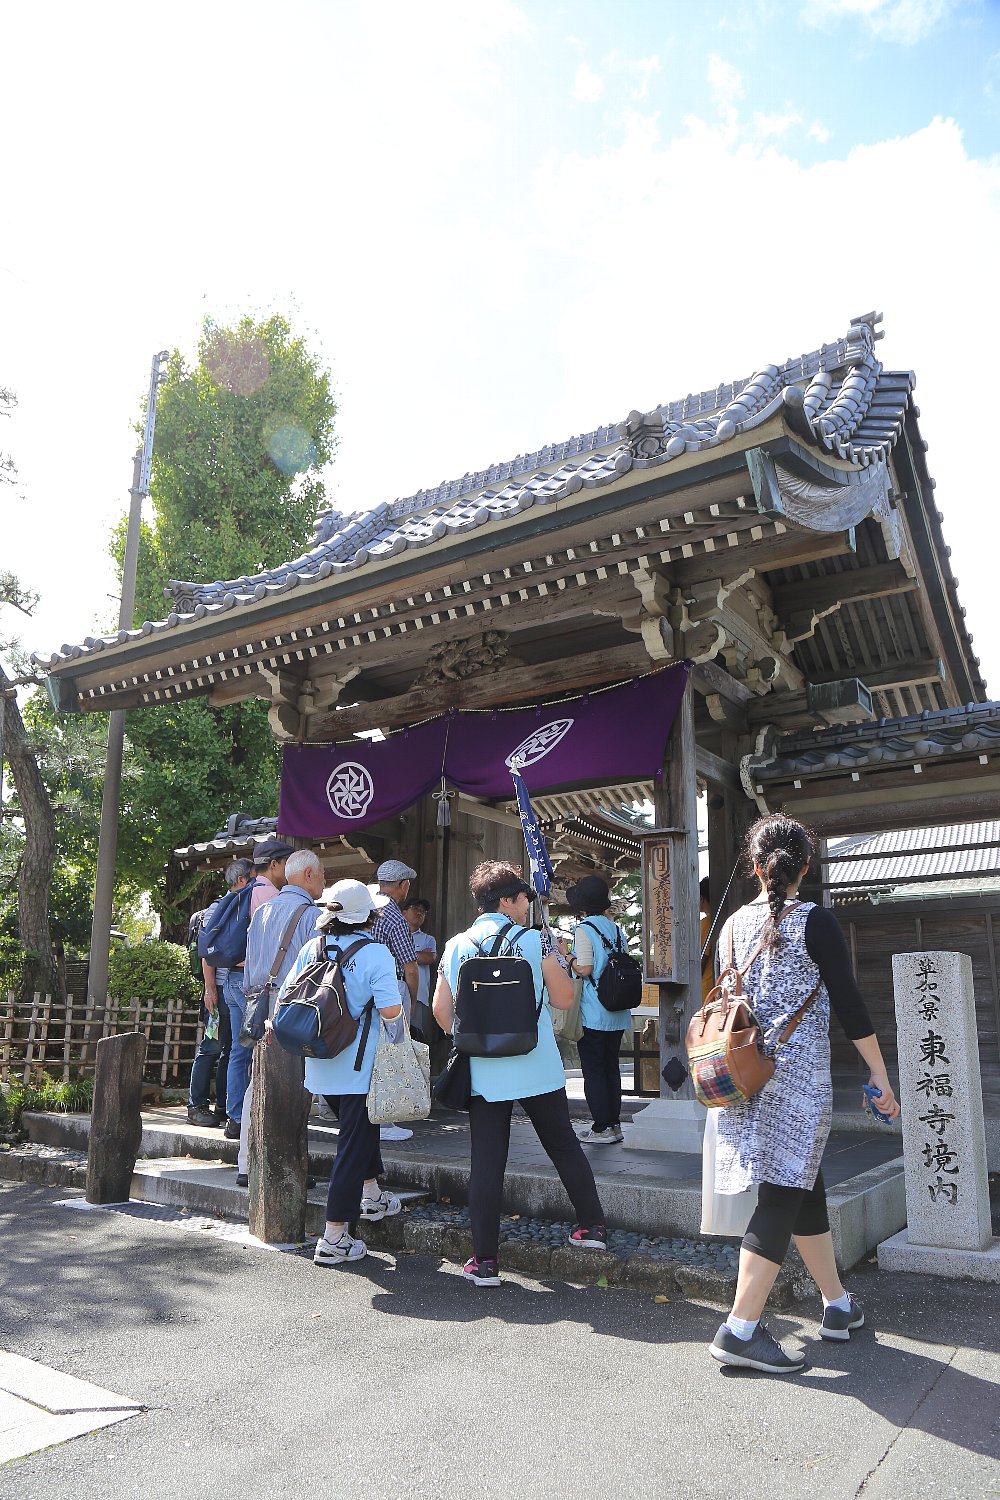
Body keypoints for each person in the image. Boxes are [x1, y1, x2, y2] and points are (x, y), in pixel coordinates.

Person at [707, 813, 900, 1375]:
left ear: (754, 865)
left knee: (803, 1187)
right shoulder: (816, 922)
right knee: (781, 1196)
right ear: (805, 868)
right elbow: (850, 1004)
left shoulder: (732, 926)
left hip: (746, 1081)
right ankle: (740, 1329)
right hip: (797, 1084)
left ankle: (837, 1305)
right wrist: (880, 1076)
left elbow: (728, 1003)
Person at [433, 860, 608, 1287]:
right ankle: (591, 1228)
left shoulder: (457, 945)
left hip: (484, 1070)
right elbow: (565, 999)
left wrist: (477, 1036)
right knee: (563, 1145)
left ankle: (486, 1262)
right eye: (525, 897)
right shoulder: (534, 943)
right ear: (508, 901)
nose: (529, 903)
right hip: (536, 1064)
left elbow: (441, 1012)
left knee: (487, 1161)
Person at [277, 879, 406, 1267]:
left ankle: (372, 1196)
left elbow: (287, 995)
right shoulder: (375, 954)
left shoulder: (312, 947)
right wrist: (401, 1048)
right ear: (368, 915)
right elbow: (390, 1012)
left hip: (317, 1062)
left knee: (358, 1132)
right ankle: (334, 1236)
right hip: (358, 1066)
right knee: (352, 1144)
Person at [235, 848, 326, 1187]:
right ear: (307, 876)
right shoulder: (311, 915)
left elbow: (248, 969)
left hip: (258, 1004)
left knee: (257, 1082)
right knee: (295, 1085)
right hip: (292, 1008)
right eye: (321, 874)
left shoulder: (262, 911)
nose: (322, 881)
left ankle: (247, 1162)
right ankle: (287, 1164)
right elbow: (318, 974)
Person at [556, 874, 633, 1146]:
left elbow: (585, 969)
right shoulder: (616, 929)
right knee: (611, 1068)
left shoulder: (584, 929)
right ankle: (615, 1123)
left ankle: (601, 1127)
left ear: (582, 906)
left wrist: (567, 956)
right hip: (617, 1010)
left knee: (594, 1070)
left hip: (594, 1010)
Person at [188, 858, 254, 1128]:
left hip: (231, 989)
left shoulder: (243, 906)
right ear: (241, 881)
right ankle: (196, 1105)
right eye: (252, 878)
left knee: (230, 1049)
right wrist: (210, 989)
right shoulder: (220, 908)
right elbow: (206, 953)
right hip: (218, 990)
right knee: (212, 1046)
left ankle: (224, 1107)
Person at [369, 858, 420, 1142]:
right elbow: (410, 966)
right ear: (403, 885)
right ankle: (385, 1121)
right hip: (391, 987)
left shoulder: (365, 908)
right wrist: (412, 999)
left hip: (363, 991)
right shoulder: (393, 915)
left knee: (370, 1053)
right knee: (392, 1053)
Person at [402, 897, 436, 1040]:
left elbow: (429, 958)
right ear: (403, 913)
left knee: (416, 1039)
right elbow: (421, 957)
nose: (419, 913)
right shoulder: (395, 933)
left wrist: (399, 953)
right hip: (394, 994)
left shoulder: (428, 939)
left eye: (423, 911)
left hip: (419, 998)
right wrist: (417, 955)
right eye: (415, 909)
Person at [249, 837, 293, 914]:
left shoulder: (251, 888)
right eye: (286, 864)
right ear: (274, 864)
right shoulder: (272, 895)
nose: (289, 869)